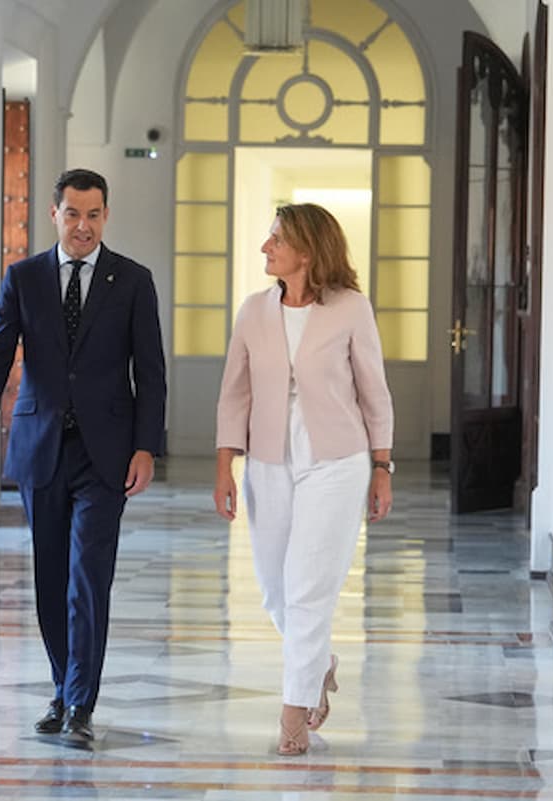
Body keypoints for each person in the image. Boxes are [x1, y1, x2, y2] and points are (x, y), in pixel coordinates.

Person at [0, 168, 167, 745]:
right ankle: (62, 688)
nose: (83, 226)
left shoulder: (132, 281)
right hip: (41, 450)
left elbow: (150, 373)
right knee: (51, 580)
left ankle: (80, 704)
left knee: (87, 579)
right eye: (73, 214)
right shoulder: (23, 278)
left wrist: (147, 446)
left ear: (107, 215)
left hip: (107, 456)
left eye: (94, 214)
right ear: (54, 214)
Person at [213, 203, 394, 756]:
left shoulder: (351, 309)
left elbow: (374, 391)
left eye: (275, 240)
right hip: (267, 460)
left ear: (308, 252)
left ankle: (293, 717)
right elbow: (234, 392)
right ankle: (318, 662)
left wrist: (382, 468)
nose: (265, 248)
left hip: (337, 461)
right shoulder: (253, 311)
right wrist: (224, 463)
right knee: (274, 588)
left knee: (309, 589)